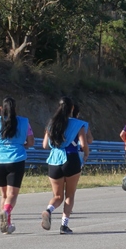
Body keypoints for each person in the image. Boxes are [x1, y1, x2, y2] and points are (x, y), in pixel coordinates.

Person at [0, 97, 34, 234]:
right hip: (16, 159)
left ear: (1, 108)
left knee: (4, 195)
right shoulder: (24, 122)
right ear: (15, 109)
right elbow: (31, 142)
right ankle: (5, 211)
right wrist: (23, 145)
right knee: (12, 194)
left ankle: (6, 225)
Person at [41, 96, 89, 234]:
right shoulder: (78, 124)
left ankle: (48, 210)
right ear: (72, 108)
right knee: (70, 195)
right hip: (71, 159)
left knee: (57, 196)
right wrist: (86, 154)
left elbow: (45, 145)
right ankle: (64, 225)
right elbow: (83, 144)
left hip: (54, 160)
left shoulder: (51, 123)